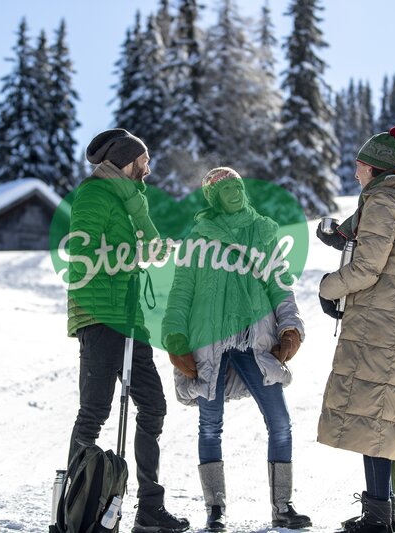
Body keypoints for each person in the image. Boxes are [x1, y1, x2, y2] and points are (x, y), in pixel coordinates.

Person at [162, 167, 312, 532]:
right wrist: (175, 337)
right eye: (226, 189)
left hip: (253, 341)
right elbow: (180, 293)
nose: (234, 192)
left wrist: (290, 327)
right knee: (209, 426)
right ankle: (215, 510)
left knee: (280, 422)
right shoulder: (196, 240)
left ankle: (283, 507)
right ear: (213, 198)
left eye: (237, 186)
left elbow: (280, 286)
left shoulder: (262, 233)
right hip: (208, 343)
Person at [316, 127, 395, 533]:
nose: (355, 173)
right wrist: (342, 238)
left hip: (377, 325)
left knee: (374, 421)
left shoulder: (383, 204)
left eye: (358, 166)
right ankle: (379, 512)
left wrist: (328, 287)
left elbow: (368, 269)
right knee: (378, 420)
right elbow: (381, 252)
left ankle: (378, 518)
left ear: (372, 168)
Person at [66, 128, 189, 533]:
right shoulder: (94, 195)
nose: (148, 169)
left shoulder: (130, 199)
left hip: (129, 316)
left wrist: (151, 249)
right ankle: (75, 508)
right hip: (99, 315)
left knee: (153, 406)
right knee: (94, 412)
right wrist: (133, 253)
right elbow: (82, 252)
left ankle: (149, 509)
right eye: (143, 161)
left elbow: (140, 250)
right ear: (125, 160)